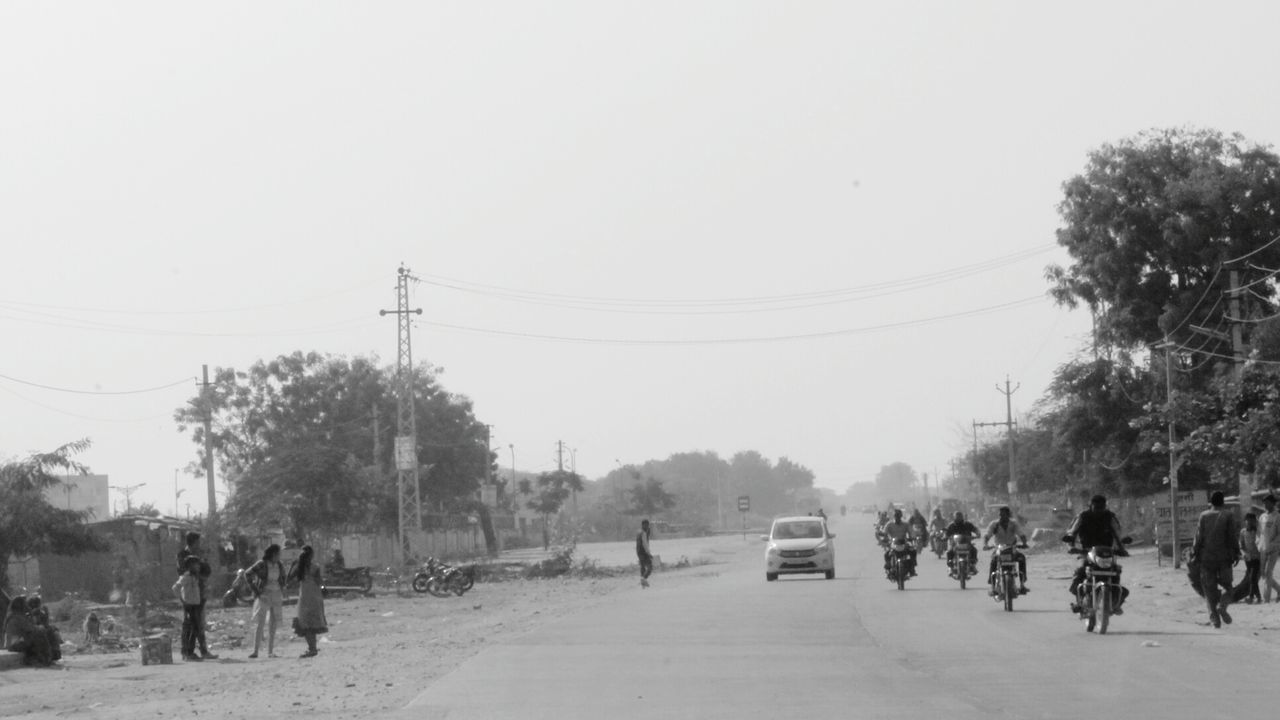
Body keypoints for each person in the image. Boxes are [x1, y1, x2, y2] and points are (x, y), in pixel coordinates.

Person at [1062, 494, 1128, 613]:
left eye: (1101, 507)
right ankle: (1079, 601)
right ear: (1090, 506)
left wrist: (1122, 548)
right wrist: (1071, 545)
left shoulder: (1110, 517)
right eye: (1096, 507)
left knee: (1116, 571)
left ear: (1105, 506)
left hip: (1107, 552)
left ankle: (1116, 602)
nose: (1099, 510)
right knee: (1080, 571)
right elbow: (1072, 532)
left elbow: (1118, 533)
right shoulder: (1082, 516)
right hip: (1087, 551)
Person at [1193, 491, 1241, 628]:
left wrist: (1195, 553)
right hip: (1224, 558)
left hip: (1206, 558)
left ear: (1211, 502)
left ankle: (1214, 620)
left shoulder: (1203, 516)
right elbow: (1232, 536)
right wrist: (1236, 552)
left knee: (1209, 590)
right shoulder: (1228, 515)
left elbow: (1198, 537)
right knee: (1228, 587)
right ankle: (1223, 606)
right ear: (1223, 502)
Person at [175, 531, 217, 659]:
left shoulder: (199, 554)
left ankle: (201, 651)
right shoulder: (183, 555)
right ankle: (187, 652)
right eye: (198, 542)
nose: (200, 544)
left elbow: (207, 570)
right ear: (193, 542)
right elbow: (182, 572)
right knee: (189, 624)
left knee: (198, 623)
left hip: (199, 592)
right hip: (189, 595)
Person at [245, 543, 286, 658]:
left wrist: (283, 589)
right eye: (278, 553)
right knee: (260, 623)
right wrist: (257, 591)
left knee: (273, 623)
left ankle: (270, 651)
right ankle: (256, 651)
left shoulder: (279, 565)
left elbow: (283, 578)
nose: (280, 556)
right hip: (264, 594)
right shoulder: (261, 564)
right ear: (274, 554)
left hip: (276, 594)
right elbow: (247, 574)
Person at [288, 545, 328, 658]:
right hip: (315, 597)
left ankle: (312, 648)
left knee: (305, 624)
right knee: (313, 623)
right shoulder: (315, 567)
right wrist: (324, 590)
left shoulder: (298, 567)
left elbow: (288, 579)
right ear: (311, 555)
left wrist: (292, 565)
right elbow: (320, 582)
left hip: (304, 598)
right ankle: (313, 648)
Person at [983, 506, 1029, 595]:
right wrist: (985, 545)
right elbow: (987, 535)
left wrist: (1024, 543)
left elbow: (1021, 534)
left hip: (1011, 549)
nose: (1001, 517)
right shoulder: (994, 524)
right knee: (993, 561)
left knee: (1021, 558)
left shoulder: (1014, 524)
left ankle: (1022, 584)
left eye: (1003, 515)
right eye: (1000, 515)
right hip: (999, 549)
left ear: (1008, 515)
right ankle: (993, 585)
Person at [3, 596, 53, 666]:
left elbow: (30, 627)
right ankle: (42, 659)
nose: (26, 605)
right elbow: (32, 628)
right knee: (39, 633)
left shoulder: (14, 615)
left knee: (38, 633)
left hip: (13, 643)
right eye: (24, 604)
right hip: (14, 645)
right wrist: (32, 614)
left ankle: (42, 658)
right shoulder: (17, 617)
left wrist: (31, 614)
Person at [173, 555, 205, 661]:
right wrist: (182, 601)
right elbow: (175, 588)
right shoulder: (186, 577)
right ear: (190, 566)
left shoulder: (194, 577)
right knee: (190, 629)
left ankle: (188, 652)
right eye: (196, 565)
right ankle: (188, 653)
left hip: (195, 606)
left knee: (195, 629)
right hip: (189, 606)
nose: (198, 567)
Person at [879, 509, 917, 577]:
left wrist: (913, 537)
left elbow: (912, 532)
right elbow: (884, 531)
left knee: (913, 551)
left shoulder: (906, 524)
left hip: (903, 543)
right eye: (896, 516)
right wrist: (882, 535)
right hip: (893, 543)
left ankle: (912, 569)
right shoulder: (890, 524)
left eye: (898, 516)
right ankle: (889, 567)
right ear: (894, 516)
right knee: (886, 554)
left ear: (901, 516)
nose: (897, 518)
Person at [24, 596, 62, 661]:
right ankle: (47, 656)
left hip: (40, 630)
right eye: (38, 604)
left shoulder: (41, 610)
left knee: (52, 632)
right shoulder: (29, 613)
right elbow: (31, 624)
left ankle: (53, 655)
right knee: (46, 633)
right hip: (31, 634)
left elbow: (44, 621)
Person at [943, 511, 980, 576]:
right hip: (955, 544)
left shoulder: (967, 524)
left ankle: (973, 565)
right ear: (954, 517)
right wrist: (945, 537)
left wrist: (978, 533)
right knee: (949, 552)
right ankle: (950, 567)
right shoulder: (952, 525)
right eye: (957, 516)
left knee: (974, 550)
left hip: (967, 543)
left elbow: (975, 529)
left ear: (962, 517)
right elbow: (947, 533)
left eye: (960, 516)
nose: (958, 518)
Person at [1259, 495, 1280, 602]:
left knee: (1268, 572)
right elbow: (1260, 533)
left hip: (1273, 548)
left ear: (1273, 503)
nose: (1265, 504)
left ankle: (1266, 599)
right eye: (1264, 502)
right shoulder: (1262, 516)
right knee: (1263, 573)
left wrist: (1273, 544)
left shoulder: (1277, 516)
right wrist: (1259, 544)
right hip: (1263, 548)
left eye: (1267, 502)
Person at [1240, 513, 1262, 604]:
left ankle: (1251, 597)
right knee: (1251, 578)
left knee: (1253, 577)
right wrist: (1244, 553)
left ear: (1254, 522)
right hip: (1247, 559)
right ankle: (1258, 597)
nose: (1249, 522)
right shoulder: (1243, 532)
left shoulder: (1257, 532)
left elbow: (1260, 543)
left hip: (1256, 558)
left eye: (1251, 521)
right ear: (1245, 521)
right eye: (1247, 520)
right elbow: (1241, 545)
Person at [636, 519, 654, 587]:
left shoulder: (639, 532)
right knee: (650, 567)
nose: (647, 527)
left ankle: (642, 582)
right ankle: (643, 578)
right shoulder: (643, 533)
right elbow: (645, 544)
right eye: (646, 525)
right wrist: (649, 553)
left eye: (648, 525)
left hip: (638, 551)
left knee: (642, 566)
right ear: (643, 525)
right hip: (644, 552)